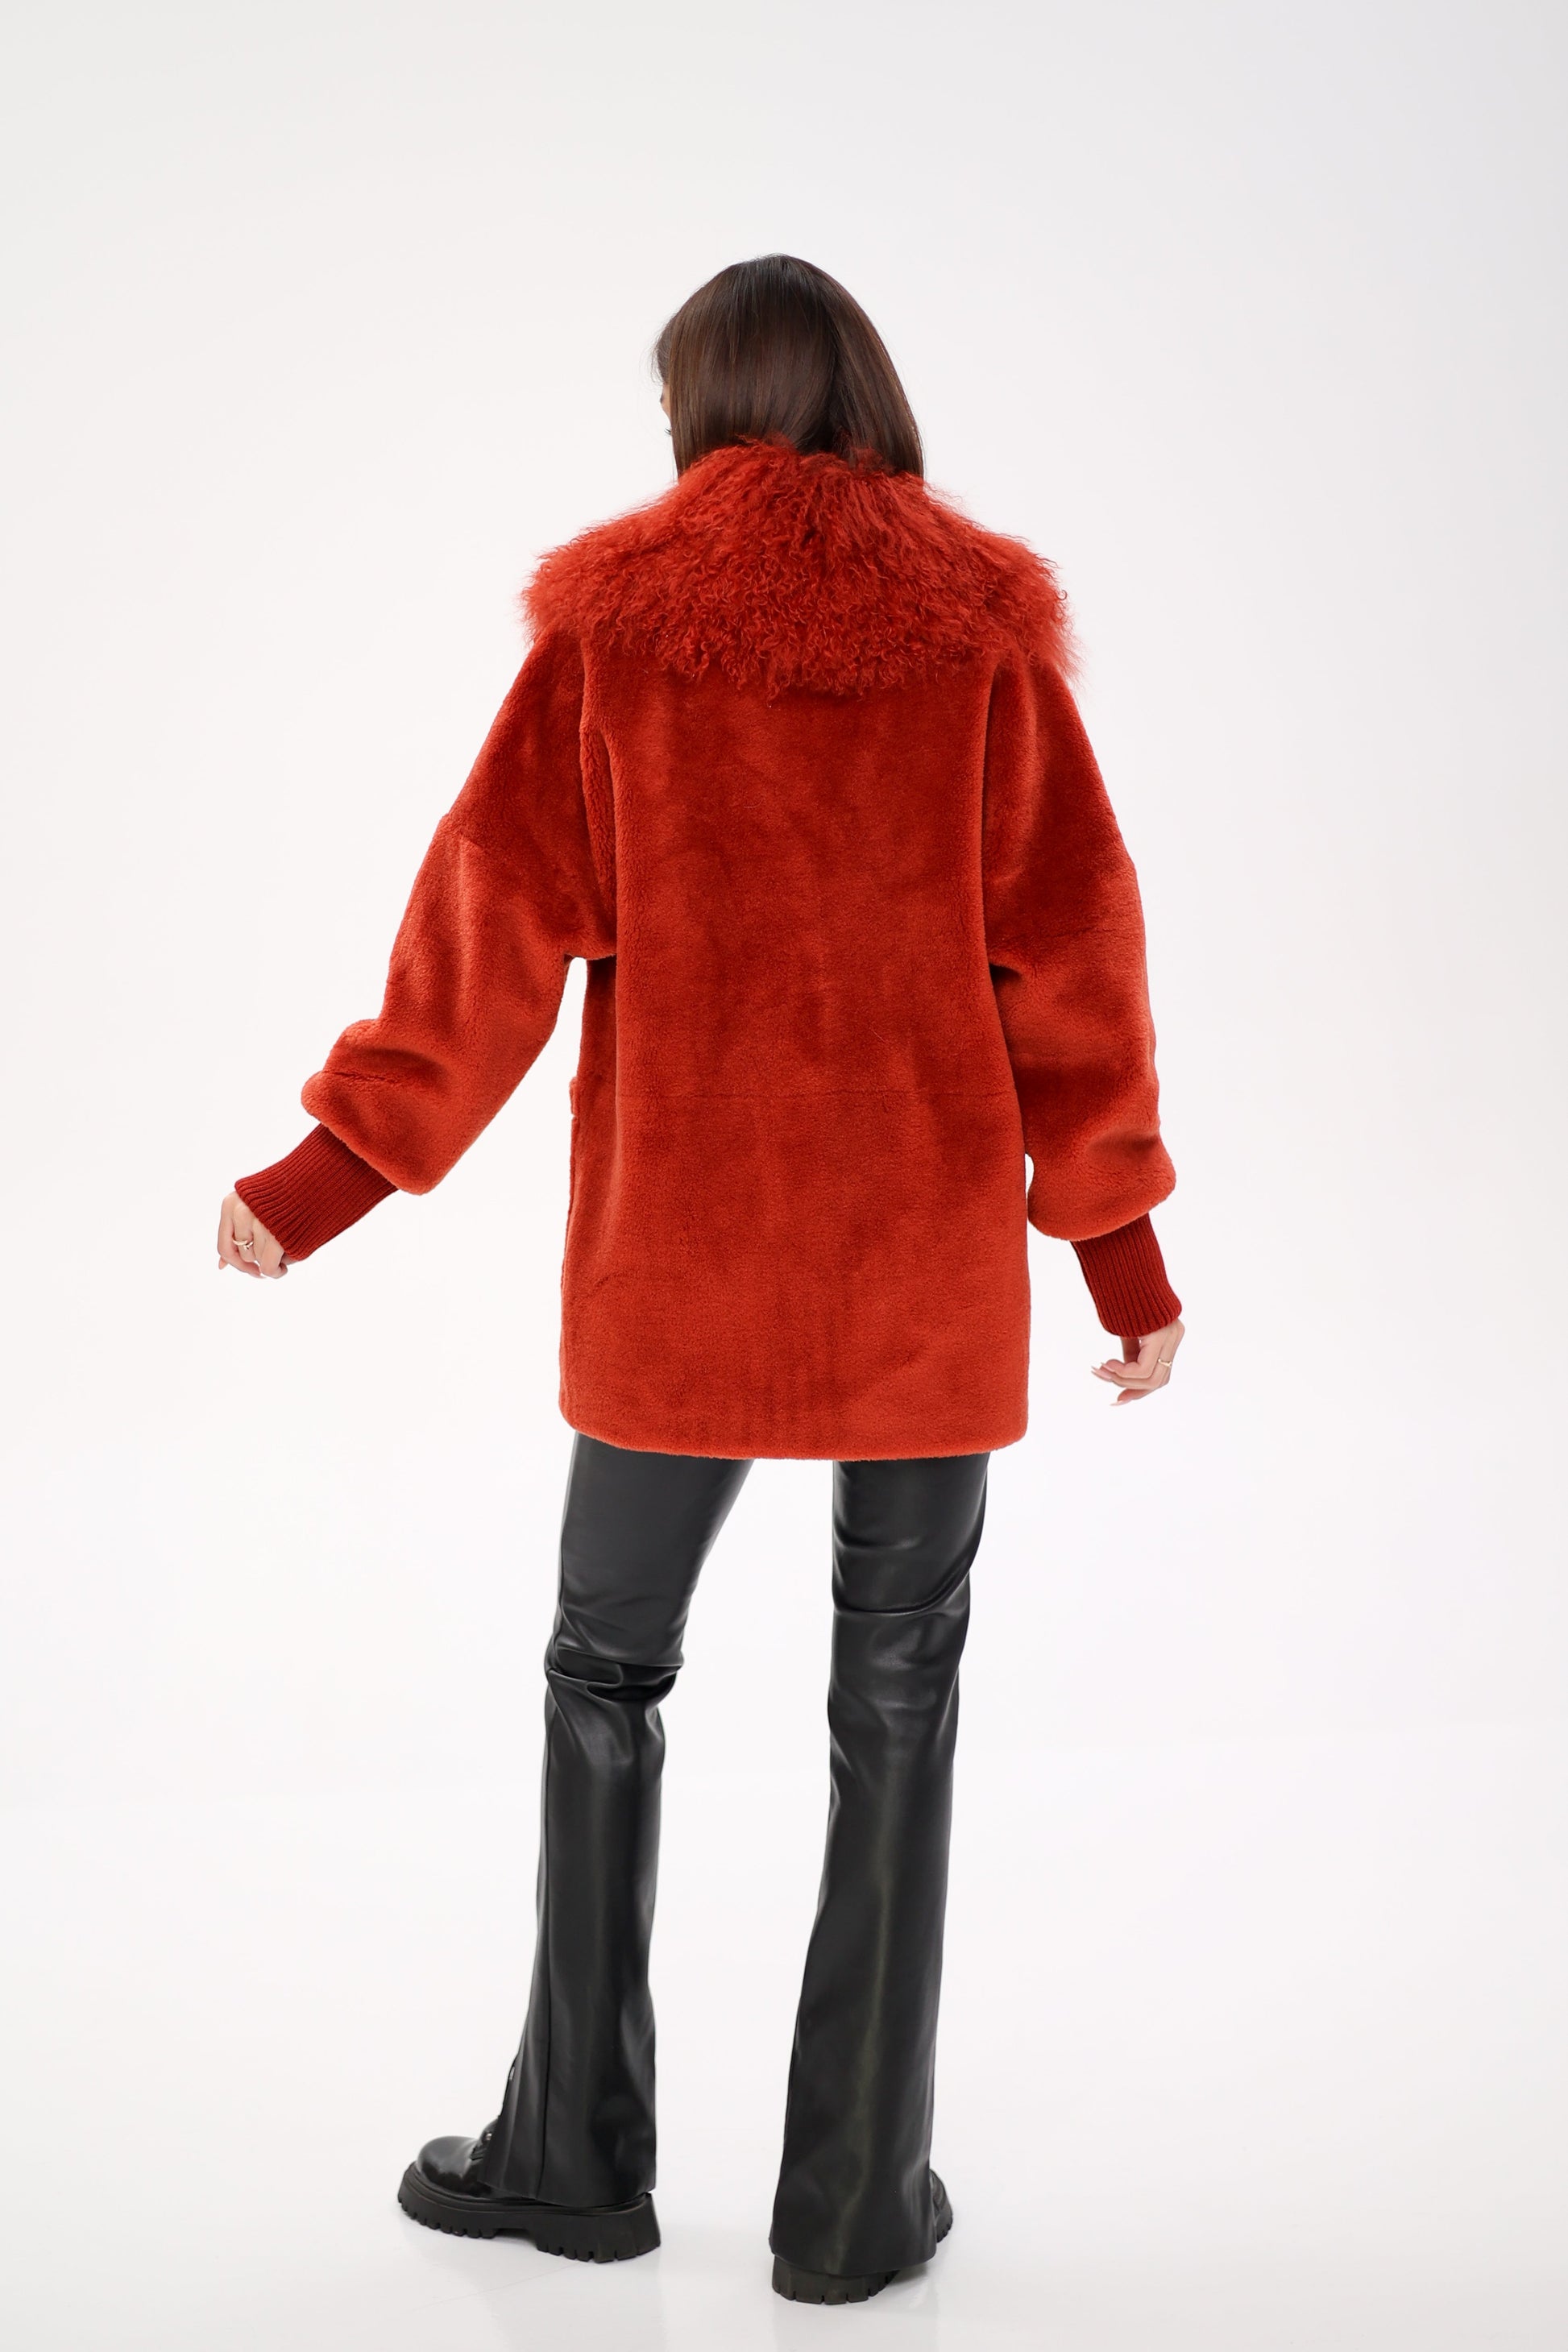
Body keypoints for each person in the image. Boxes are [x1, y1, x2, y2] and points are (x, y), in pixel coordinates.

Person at [218, 254, 1184, 2305]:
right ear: (865, 396)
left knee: (603, 1673)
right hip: (919, 1269)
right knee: (899, 1695)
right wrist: (1117, 1247)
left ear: (699, 409)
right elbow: (1074, 944)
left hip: (682, 1259)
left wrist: (332, 1170)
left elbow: (491, 910)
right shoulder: (983, 641)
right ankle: (853, 2199)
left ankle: (570, 2151)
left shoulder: (617, 633)